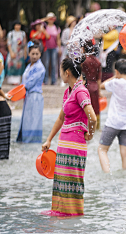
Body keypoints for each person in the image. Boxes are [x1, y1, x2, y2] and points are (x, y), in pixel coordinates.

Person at [41, 57, 97, 217]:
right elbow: (61, 118)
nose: (60, 74)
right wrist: (49, 139)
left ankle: (74, 214)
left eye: (60, 71)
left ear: (67, 72)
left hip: (75, 143)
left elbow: (92, 117)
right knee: (62, 180)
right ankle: (61, 211)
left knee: (73, 181)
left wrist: (90, 134)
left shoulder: (80, 91)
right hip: (64, 143)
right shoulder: (69, 91)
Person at [17, 40, 45, 143]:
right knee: (27, 119)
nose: (34, 56)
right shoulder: (29, 66)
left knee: (33, 120)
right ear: (29, 54)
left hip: (35, 96)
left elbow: (29, 83)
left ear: (40, 54)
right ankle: (25, 139)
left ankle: (31, 141)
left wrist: (17, 91)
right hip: (28, 96)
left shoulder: (40, 67)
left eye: (37, 54)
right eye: (32, 53)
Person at [82, 40, 102, 129]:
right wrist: (100, 92)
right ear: (93, 48)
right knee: (96, 110)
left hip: (85, 87)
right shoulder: (97, 62)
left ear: (83, 48)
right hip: (95, 88)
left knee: (86, 109)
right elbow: (98, 79)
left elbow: (81, 77)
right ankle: (96, 128)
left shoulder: (83, 61)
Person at [6, 20, 27, 85]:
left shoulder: (23, 33)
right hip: (13, 51)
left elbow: (25, 43)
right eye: (17, 25)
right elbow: (8, 43)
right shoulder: (10, 34)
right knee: (12, 65)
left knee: (19, 66)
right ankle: (11, 80)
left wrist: (25, 52)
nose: (18, 26)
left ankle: (18, 80)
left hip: (20, 53)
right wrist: (11, 52)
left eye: (19, 25)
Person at [43, 12, 62, 85]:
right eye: (49, 18)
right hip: (46, 48)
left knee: (54, 64)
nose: (51, 20)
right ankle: (46, 80)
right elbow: (40, 21)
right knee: (46, 64)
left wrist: (59, 48)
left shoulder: (56, 28)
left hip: (54, 48)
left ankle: (54, 80)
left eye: (52, 18)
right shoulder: (44, 27)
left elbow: (58, 39)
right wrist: (46, 19)